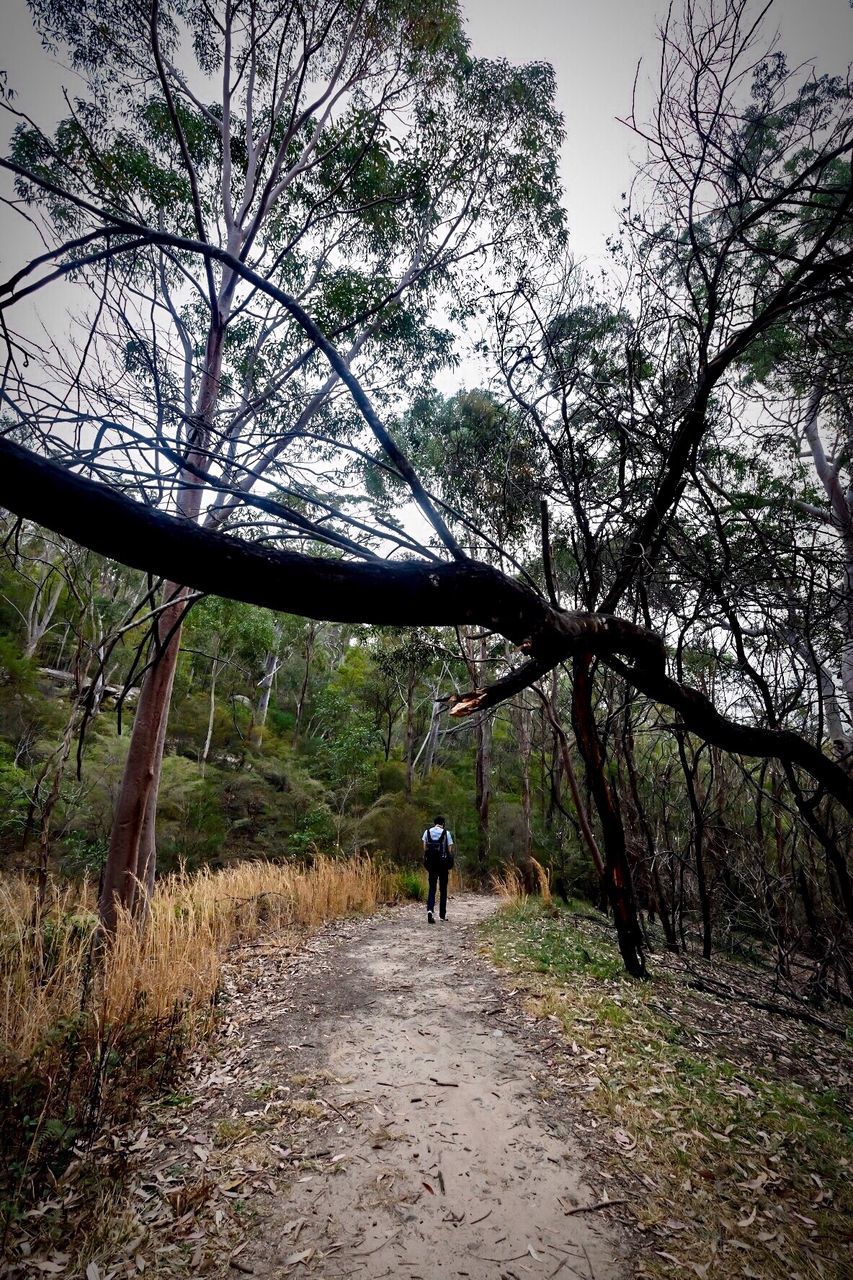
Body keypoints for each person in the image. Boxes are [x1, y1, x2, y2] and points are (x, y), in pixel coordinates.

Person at [422, 816, 454, 924]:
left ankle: (430, 910)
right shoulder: (446, 833)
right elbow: (449, 850)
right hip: (443, 865)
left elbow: (425, 848)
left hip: (432, 865)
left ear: (434, 823)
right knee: (443, 889)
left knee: (432, 888)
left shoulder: (427, 832)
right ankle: (442, 915)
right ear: (443, 823)